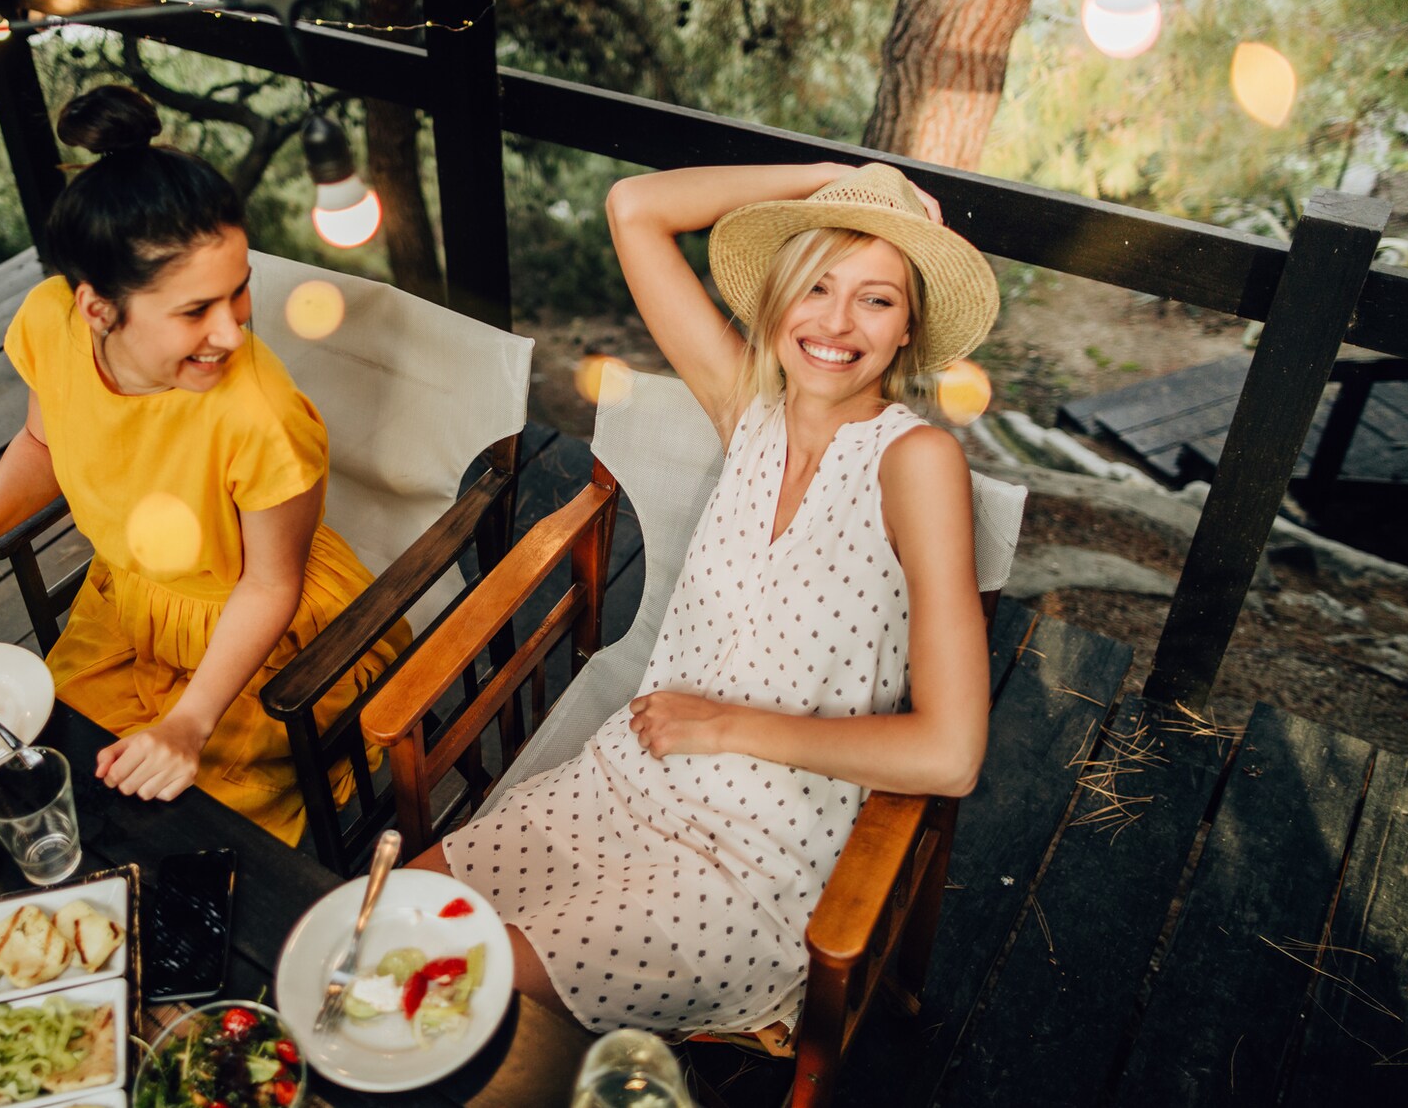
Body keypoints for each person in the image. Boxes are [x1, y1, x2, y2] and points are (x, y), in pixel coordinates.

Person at [409, 161, 999, 1038]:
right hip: (623, 783)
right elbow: (633, 207)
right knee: (393, 924)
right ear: (778, 299)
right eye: (817, 285)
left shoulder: (916, 464)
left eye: (876, 299)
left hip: (755, 861)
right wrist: (835, 178)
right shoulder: (747, 408)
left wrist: (723, 727)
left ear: (909, 326)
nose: (837, 322)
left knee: (452, 992)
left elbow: (952, 753)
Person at [0, 85, 407, 844]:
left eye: (239, 291)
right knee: (52, 763)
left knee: (177, 823)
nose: (232, 331)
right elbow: (45, 443)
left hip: (260, 637)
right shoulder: (49, 324)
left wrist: (188, 721)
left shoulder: (262, 413)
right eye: (193, 310)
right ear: (96, 308)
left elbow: (271, 582)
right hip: (126, 606)